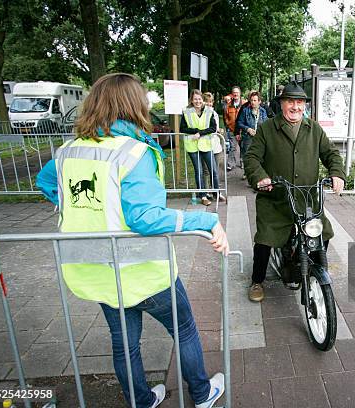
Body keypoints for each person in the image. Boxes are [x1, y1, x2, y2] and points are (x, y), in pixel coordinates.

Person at [35, 73, 228, 408]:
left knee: (124, 344)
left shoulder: (68, 151)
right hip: (143, 269)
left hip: (96, 270)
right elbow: (146, 218)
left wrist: (74, 206)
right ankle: (201, 393)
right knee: (183, 331)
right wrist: (206, 220)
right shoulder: (133, 152)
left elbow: (46, 181)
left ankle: (141, 400)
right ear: (133, 106)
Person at [243, 82, 346, 302]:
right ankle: (257, 280)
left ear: (304, 105)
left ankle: (311, 270)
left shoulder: (314, 128)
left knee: (323, 233)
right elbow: (252, 158)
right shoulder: (267, 128)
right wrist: (260, 177)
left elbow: (331, 154)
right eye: (290, 101)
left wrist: (337, 172)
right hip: (276, 199)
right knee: (265, 240)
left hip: (306, 198)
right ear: (282, 104)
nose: (295, 106)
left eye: (300, 102)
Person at [181, 89, 219, 206]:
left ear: (202, 100)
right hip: (192, 146)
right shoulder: (186, 112)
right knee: (199, 171)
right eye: (195, 99)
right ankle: (202, 195)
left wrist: (200, 133)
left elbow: (213, 127)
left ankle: (216, 193)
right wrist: (195, 131)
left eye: (199, 99)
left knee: (213, 169)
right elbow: (182, 128)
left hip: (206, 145)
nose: (197, 101)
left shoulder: (209, 111)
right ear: (191, 100)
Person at [236, 91, 267, 180]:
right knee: (248, 156)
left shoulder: (263, 111)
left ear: (259, 101)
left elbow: (265, 122)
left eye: (255, 100)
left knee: (259, 156)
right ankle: (247, 172)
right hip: (248, 138)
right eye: (251, 100)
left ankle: (256, 175)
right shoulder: (246, 111)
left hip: (259, 137)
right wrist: (247, 129)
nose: (253, 102)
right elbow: (239, 123)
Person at [202, 92, 226, 202]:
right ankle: (206, 192)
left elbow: (215, 127)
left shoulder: (214, 113)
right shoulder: (201, 114)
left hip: (215, 145)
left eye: (211, 101)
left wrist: (218, 130)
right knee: (206, 170)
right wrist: (216, 129)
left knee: (215, 170)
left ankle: (216, 191)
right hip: (205, 146)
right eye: (207, 101)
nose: (209, 104)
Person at [224, 86, 244, 170]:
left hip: (243, 130)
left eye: (237, 92)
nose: (235, 94)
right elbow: (225, 117)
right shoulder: (228, 105)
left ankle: (243, 162)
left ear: (240, 94)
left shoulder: (245, 104)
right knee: (232, 147)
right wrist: (229, 124)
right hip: (232, 130)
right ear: (232, 94)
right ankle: (230, 164)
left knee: (243, 147)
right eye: (234, 92)